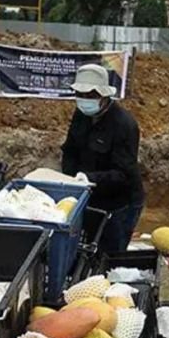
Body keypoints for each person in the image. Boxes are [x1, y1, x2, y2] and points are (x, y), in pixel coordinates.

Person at [61, 64, 144, 253]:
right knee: (86, 247)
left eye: (90, 96)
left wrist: (90, 178)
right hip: (89, 197)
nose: (84, 100)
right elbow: (70, 150)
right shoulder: (80, 115)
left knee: (110, 252)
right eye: (80, 95)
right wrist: (70, 178)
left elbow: (123, 174)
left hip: (119, 204)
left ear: (104, 96)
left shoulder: (124, 125)